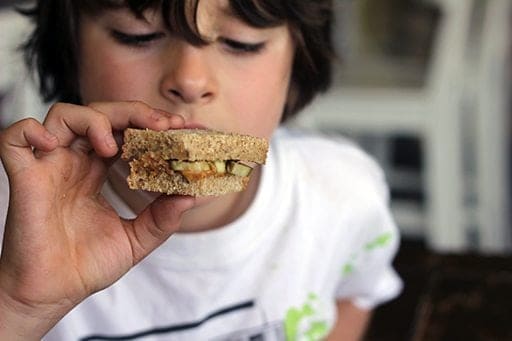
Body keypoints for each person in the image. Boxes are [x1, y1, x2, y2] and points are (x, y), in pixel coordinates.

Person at [0, 0, 402, 340]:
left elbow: (355, 294)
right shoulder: (18, 218)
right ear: (71, 53)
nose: (190, 81)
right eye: (138, 35)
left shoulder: (343, 195)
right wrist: (19, 306)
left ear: (297, 65)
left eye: (241, 43)